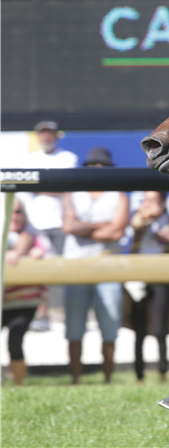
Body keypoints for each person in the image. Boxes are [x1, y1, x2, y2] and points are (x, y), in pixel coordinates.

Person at [62, 147, 129, 384]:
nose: (98, 170)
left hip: (107, 269)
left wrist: (85, 227)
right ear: (88, 168)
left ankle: (108, 379)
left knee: (110, 327)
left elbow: (117, 231)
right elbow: (69, 227)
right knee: (73, 328)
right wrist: (102, 225)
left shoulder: (118, 195)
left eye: (102, 166)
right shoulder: (73, 194)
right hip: (76, 268)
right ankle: (75, 380)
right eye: (94, 166)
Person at [18, 121, 78, 332]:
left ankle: (68, 314)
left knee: (66, 271)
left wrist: (42, 187)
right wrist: (53, 187)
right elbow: (25, 193)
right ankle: (42, 315)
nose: (46, 137)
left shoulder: (68, 158)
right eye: (43, 134)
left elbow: (67, 188)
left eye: (49, 133)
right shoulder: (29, 160)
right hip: (36, 225)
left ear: (56, 136)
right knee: (38, 272)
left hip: (61, 224)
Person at [125, 191, 169, 384]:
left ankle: (162, 373)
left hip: (161, 276)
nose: (148, 203)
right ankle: (139, 376)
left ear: (162, 202)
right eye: (146, 200)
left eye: (153, 200)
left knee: (160, 329)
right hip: (139, 277)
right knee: (139, 330)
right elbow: (136, 225)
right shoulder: (140, 216)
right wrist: (146, 216)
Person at [2, 199, 46, 385]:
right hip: (3, 301)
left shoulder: (33, 235)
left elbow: (46, 251)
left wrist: (36, 252)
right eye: (10, 211)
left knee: (15, 340)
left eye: (18, 211)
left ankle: (17, 384)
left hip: (23, 302)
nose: (14, 215)